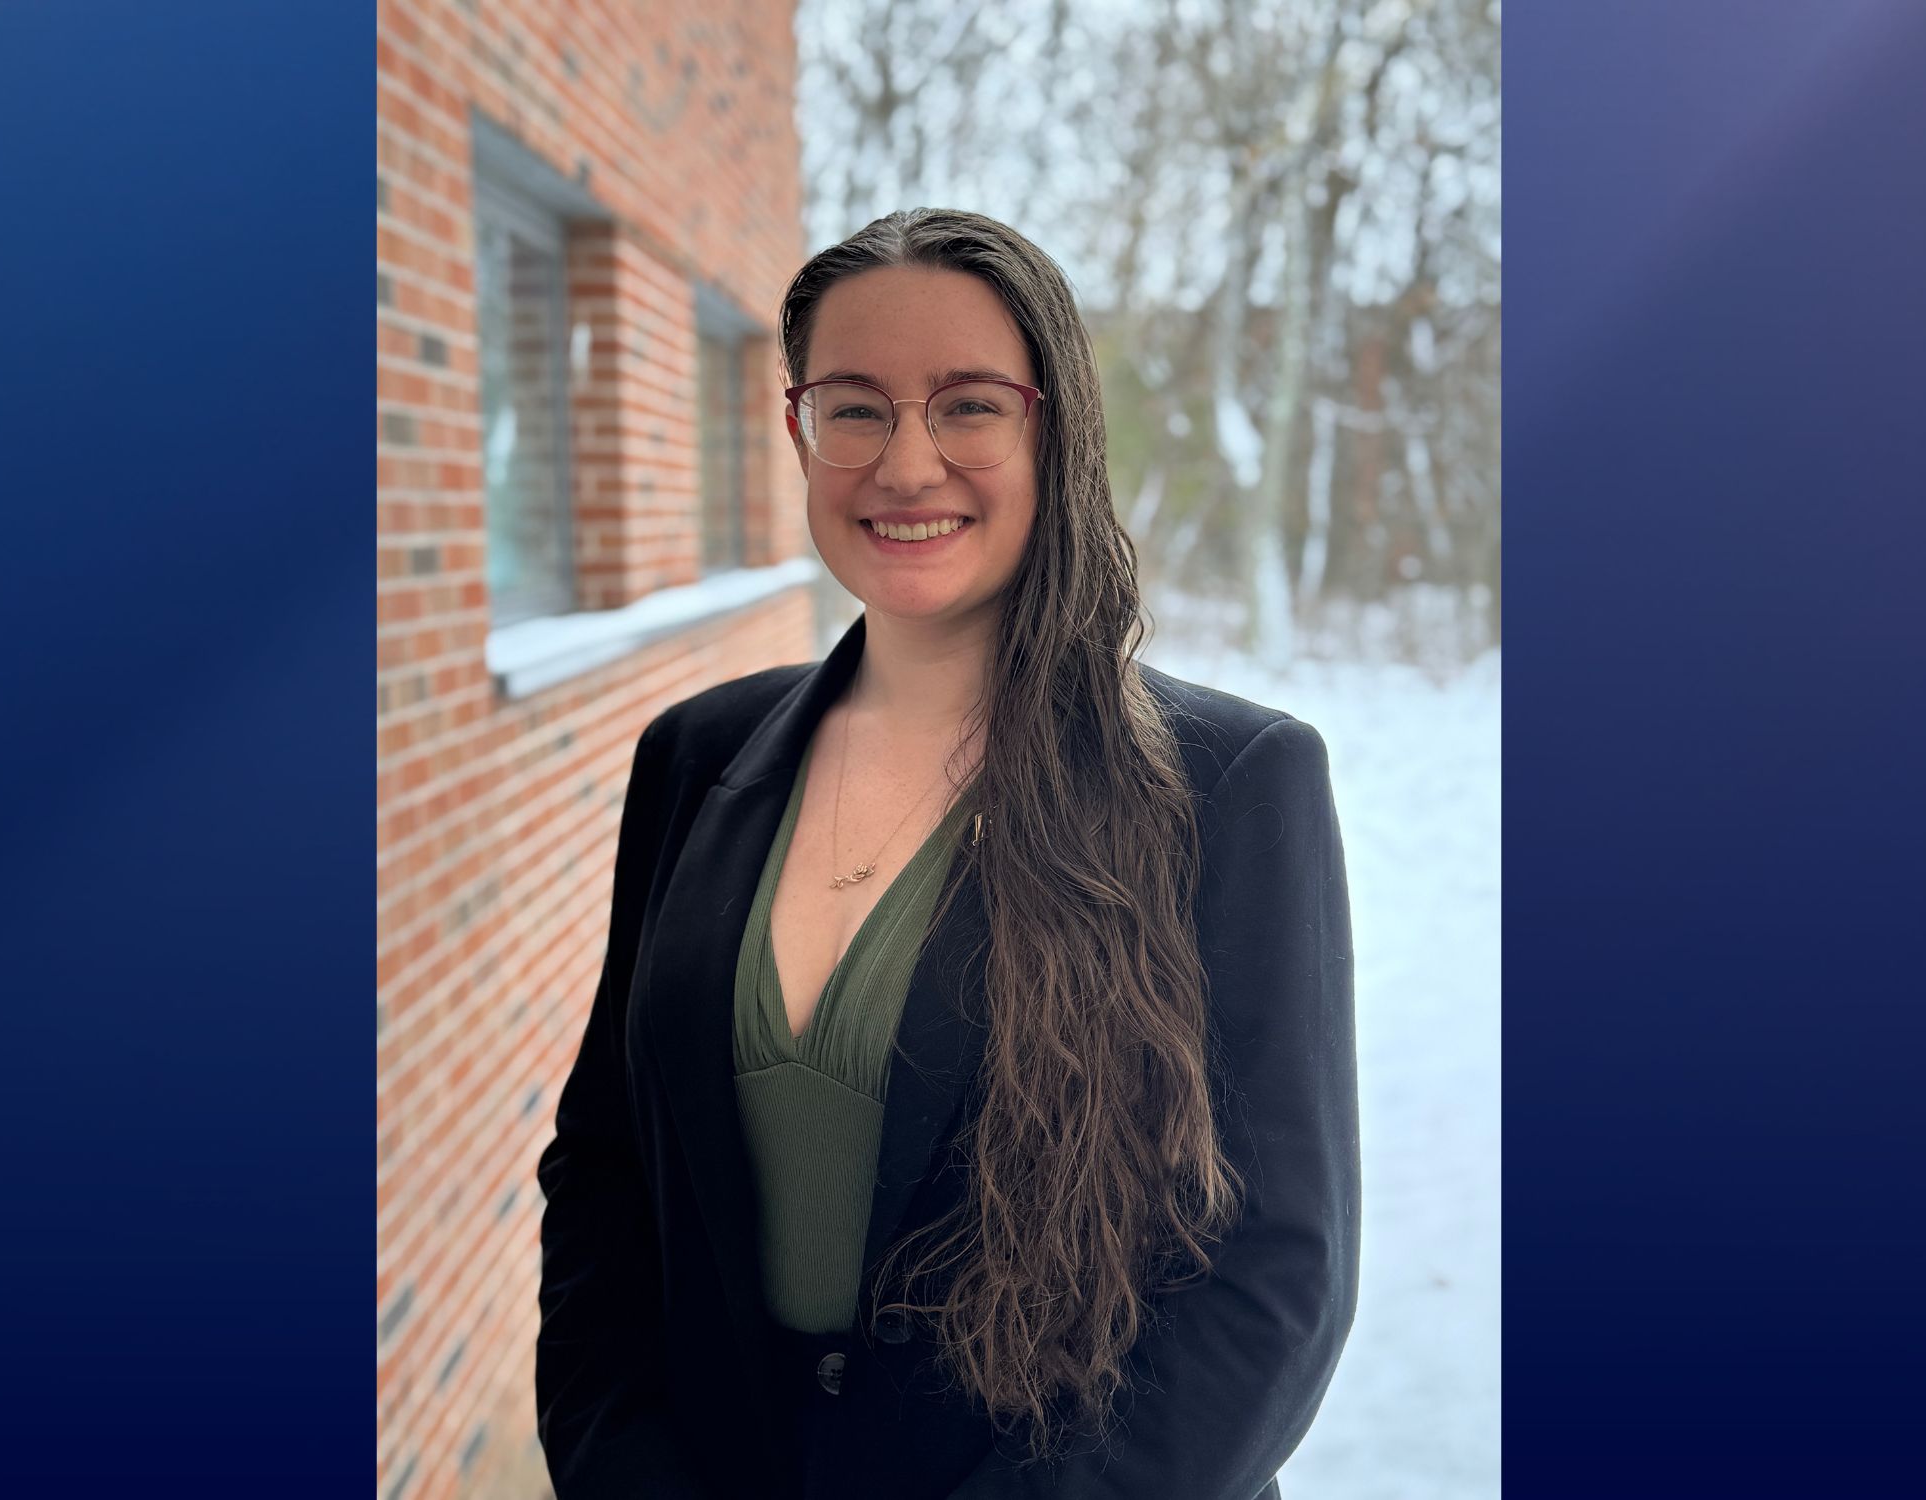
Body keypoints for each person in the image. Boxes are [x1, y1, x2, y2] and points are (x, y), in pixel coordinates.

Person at [535, 208, 1358, 1500]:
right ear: (799, 429)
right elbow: (605, 1177)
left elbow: (1277, 1281)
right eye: (853, 409)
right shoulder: (693, 759)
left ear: (1052, 428)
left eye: (968, 405)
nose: (905, 463)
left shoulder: (1230, 788)